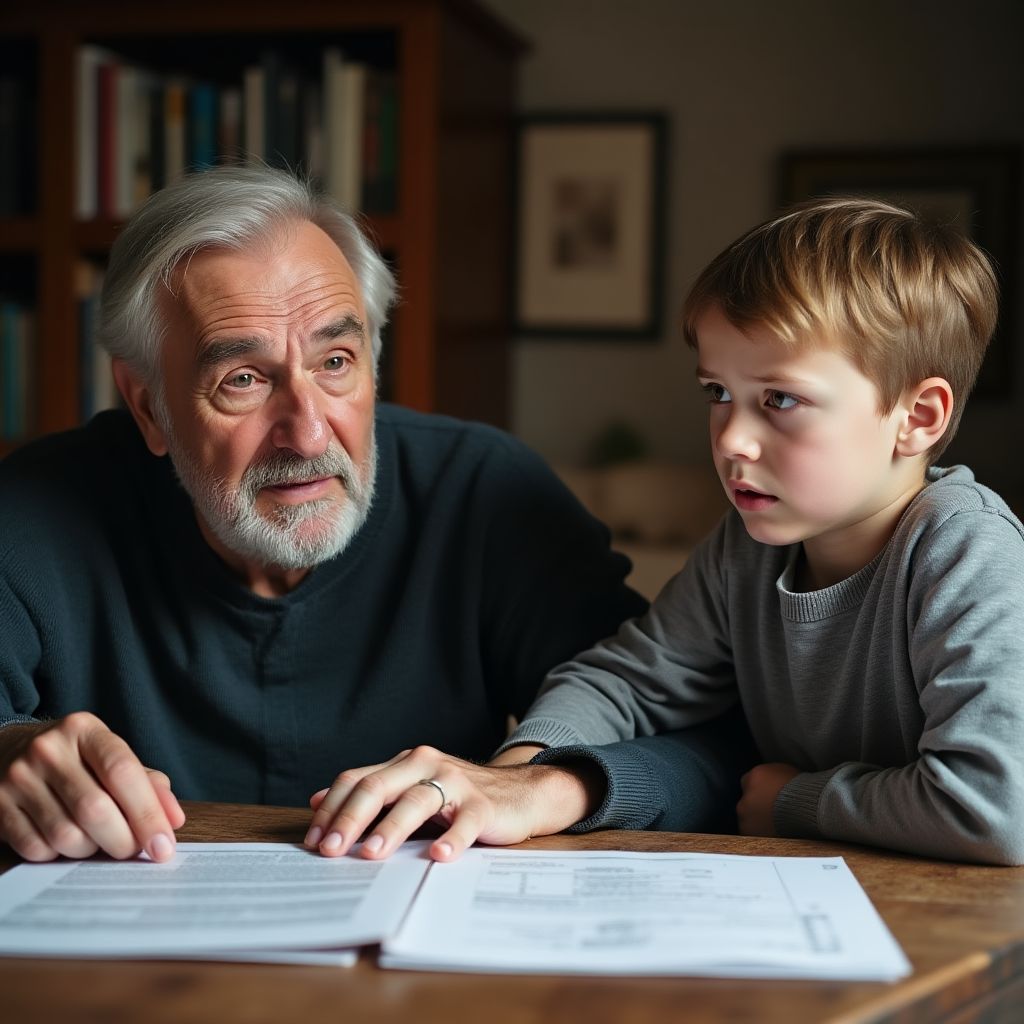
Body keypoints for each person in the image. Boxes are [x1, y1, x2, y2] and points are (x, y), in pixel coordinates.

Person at [0, 164, 696, 865]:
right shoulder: (30, 512)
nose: (308, 435)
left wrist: (546, 786)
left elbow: (707, 740)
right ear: (149, 405)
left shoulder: (485, 495)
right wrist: (9, 751)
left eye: (335, 361)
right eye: (243, 379)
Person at [308, 196, 1024, 866]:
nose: (731, 439)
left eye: (780, 399)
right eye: (719, 393)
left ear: (918, 418)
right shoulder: (747, 548)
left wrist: (792, 801)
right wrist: (511, 778)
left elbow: (998, 807)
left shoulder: (964, 549)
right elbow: (627, 680)